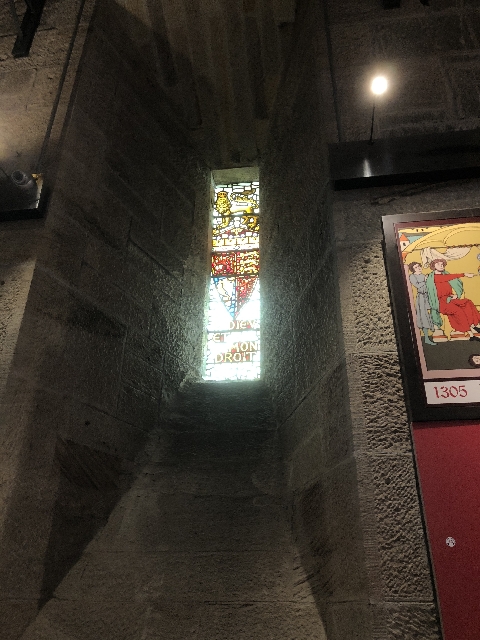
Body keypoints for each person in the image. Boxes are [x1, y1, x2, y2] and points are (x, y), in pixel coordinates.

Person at [425, 258, 480, 340]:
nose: (441, 265)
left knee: (467, 302)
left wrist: (455, 295)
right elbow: (447, 278)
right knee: (458, 311)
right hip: (440, 303)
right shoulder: (433, 277)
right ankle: (470, 333)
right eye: (438, 264)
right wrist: (464, 274)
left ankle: (474, 325)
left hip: (449, 299)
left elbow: (450, 282)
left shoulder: (445, 274)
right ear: (433, 266)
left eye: (442, 264)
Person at [408, 262, 436, 346]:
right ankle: (426, 338)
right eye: (416, 267)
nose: (419, 268)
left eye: (419, 266)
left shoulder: (424, 275)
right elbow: (417, 285)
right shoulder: (412, 276)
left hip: (428, 296)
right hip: (421, 297)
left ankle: (434, 334)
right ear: (413, 269)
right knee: (423, 316)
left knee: (431, 314)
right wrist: (425, 280)